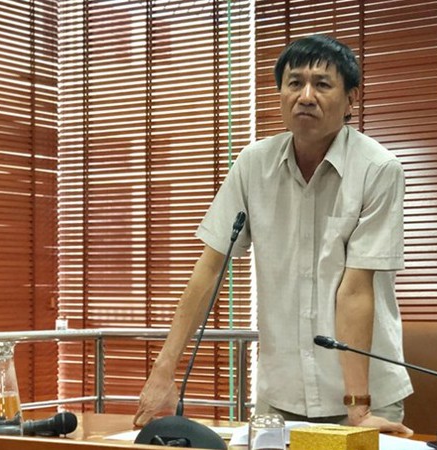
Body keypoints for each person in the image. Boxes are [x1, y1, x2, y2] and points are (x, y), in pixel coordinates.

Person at [133, 34, 413, 435]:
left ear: (351, 99)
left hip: (363, 395)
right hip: (279, 397)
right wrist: (164, 369)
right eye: (294, 83)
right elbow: (209, 268)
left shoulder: (378, 169)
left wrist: (358, 408)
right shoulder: (253, 164)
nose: (306, 96)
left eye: (322, 84)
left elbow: (354, 290)